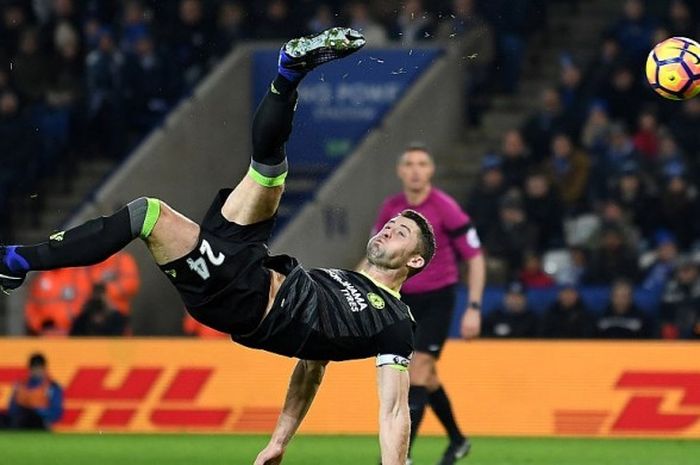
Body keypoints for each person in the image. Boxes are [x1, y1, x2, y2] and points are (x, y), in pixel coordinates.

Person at [0, 28, 429, 465]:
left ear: (415, 260)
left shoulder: (395, 322)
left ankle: (16, 259)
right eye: (391, 222)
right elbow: (310, 368)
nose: (389, 227)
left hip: (239, 298)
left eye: (401, 232)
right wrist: (279, 441)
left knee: (149, 213)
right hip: (250, 260)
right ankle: (288, 75)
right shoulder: (349, 282)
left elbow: (394, 411)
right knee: (269, 173)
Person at [371, 144, 486, 465]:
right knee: (426, 377)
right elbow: (377, 258)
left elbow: (474, 258)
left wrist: (473, 307)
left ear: (431, 171)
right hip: (402, 299)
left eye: (422, 163)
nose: (416, 170)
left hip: (438, 298)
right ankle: (458, 441)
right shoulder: (391, 210)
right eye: (409, 163)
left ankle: (400, 456)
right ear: (400, 171)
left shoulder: (445, 208)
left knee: (417, 371)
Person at [5, 353, 64, 430]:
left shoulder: (52, 387)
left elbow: (56, 413)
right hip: (20, 421)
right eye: (34, 368)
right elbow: (11, 410)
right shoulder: (19, 386)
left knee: (34, 418)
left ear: (44, 369)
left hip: (40, 422)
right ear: (30, 369)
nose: (37, 371)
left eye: (39, 368)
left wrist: (38, 411)